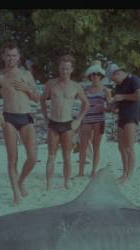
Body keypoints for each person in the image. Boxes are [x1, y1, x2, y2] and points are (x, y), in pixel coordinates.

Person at [0, 41, 40, 205]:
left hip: (25, 116)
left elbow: (37, 98)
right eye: (8, 55)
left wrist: (26, 89)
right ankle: (16, 194)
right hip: (9, 117)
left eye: (14, 55)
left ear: (19, 57)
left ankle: (20, 181)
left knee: (33, 157)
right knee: (12, 159)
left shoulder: (27, 75)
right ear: (3, 57)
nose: (11, 58)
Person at [40, 55, 89, 190]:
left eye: (67, 69)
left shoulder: (76, 86)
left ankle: (67, 181)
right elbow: (42, 99)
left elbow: (86, 104)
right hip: (53, 123)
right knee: (51, 155)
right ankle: (49, 183)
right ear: (59, 68)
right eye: (62, 68)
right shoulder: (51, 84)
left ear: (71, 69)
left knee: (67, 156)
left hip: (68, 124)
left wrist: (78, 120)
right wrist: (45, 117)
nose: (64, 71)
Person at [106, 63, 140, 183]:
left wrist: (122, 97)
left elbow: (139, 96)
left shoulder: (134, 79)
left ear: (118, 73)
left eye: (114, 79)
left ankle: (129, 174)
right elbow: (116, 106)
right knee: (121, 147)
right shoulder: (119, 86)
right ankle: (124, 172)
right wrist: (111, 104)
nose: (114, 82)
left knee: (129, 147)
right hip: (122, 116)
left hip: (132, 116)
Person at [77, 61, 112, 178]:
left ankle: (93, 171)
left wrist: (104, 108)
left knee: (96, 146)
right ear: (89, 76)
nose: (95, 77)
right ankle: (80, 172)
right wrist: (79, 120)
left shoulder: (106, 90)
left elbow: (111, 106)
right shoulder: (85, 91)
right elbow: (82, 107)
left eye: (97, 75)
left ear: (101, 76)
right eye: (92, 75)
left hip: (99, 120)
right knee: (83, 146)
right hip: (86, 120)